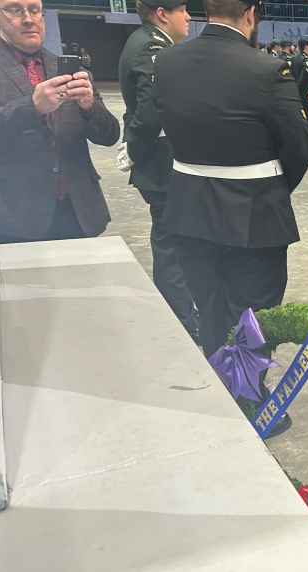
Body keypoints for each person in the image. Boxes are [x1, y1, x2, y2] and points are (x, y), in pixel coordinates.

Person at [152, 0, 308, 443]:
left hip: (187, 208)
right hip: (253, 213)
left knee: (211, 303)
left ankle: (222, 394)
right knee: (252, 314)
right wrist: (272, 190)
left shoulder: (167, 59)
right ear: (251, 12)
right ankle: (246, 401)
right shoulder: (266, 69)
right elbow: (299, 146)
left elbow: (166, 123)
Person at [0, 0, 120, 243]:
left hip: (79, 211)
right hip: (15, 215)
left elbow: (109, 136)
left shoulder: (69, 69)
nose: (28, 19)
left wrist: (88, 107)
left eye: (35, 10)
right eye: (15, 10)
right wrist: (31, 108)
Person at [117, 0, 199, 342]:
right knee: (172, 245)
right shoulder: (151, 46)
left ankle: (181, 310)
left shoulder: (157, 43)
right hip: (161, 162)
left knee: (175, 241)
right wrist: (133, 150)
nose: (189, 17)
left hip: (165, 159)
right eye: (183, 10)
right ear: (162, 14)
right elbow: (152, 108)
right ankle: (181, 319)